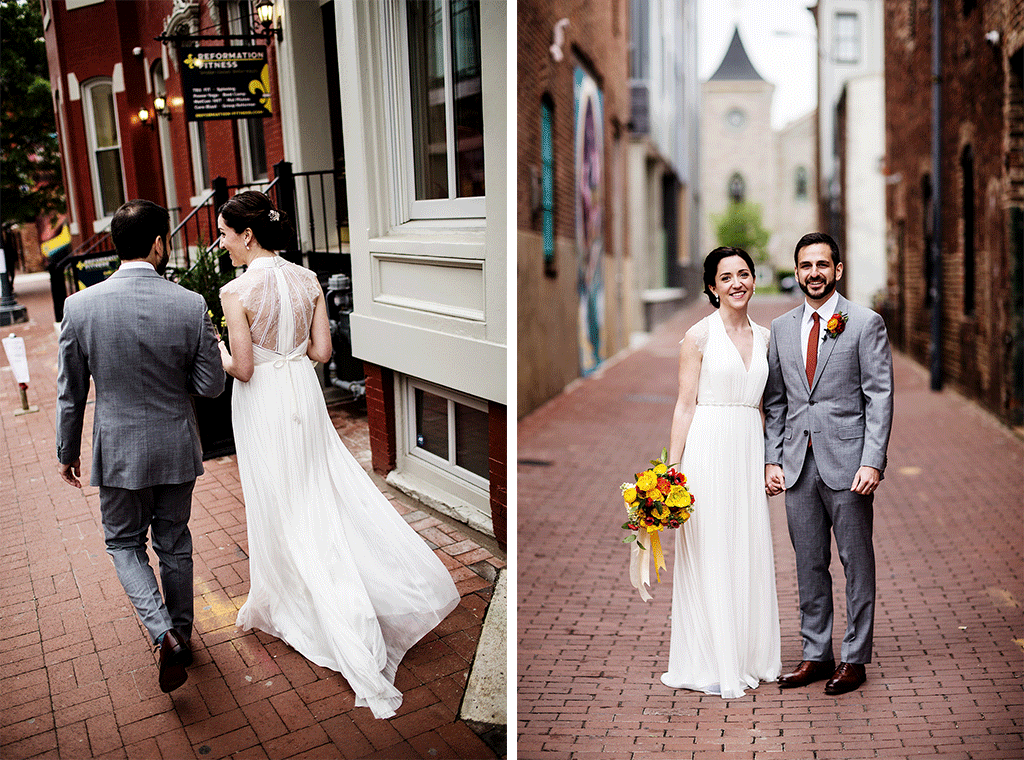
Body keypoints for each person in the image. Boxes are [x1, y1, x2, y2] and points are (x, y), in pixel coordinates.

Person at [215, 191, 460, 720]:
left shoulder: (236, 290)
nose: (222, 242)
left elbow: (242, 367)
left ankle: (313, 605)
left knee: (280, 501)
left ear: (247, 235)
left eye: (225, 233)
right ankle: (341, 588)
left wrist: (215, 347)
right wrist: (291, 356)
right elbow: (325, 353)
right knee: (317, 491)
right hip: (303, 391)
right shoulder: (308, 280)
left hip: (263, 403)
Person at [56, 199, 225, 693]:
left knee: (124, 543)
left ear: (115, 245)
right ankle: (184, 634)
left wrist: (67, 450)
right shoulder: (190, 304)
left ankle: (162, 634)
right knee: (174, 542)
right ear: (158, 244)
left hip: (119, 452)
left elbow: (72, 391)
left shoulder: (80, 307)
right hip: (175, 445)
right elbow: (212, 385)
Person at [764, 232, 893, 695]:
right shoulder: (780, 328)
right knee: (808, 563)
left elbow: (879, 396)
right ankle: (816, 653)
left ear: (837, 270)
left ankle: (855, 658)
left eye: (822, 265)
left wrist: (873, 461)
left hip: (849, 464)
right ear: (796, 272)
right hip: (798, 465)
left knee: (856, 561)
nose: (813, 273)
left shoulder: (864, 322)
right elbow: (776, 402)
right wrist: (771, 459)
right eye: (805, 266)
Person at [660, 246, 781, 699]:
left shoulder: (768, 338)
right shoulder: (698, 336)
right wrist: (673, 468)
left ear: (753, 279)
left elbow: (773, 408)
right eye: (726, 277)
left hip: (748, 446)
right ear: (712, 286)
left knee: (746, 545)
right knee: (711, 548)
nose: (737, 283)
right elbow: (684, 404)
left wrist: (773, 459)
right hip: (709, 448)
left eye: (744, 274)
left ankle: (749, 654)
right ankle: (712, 658)